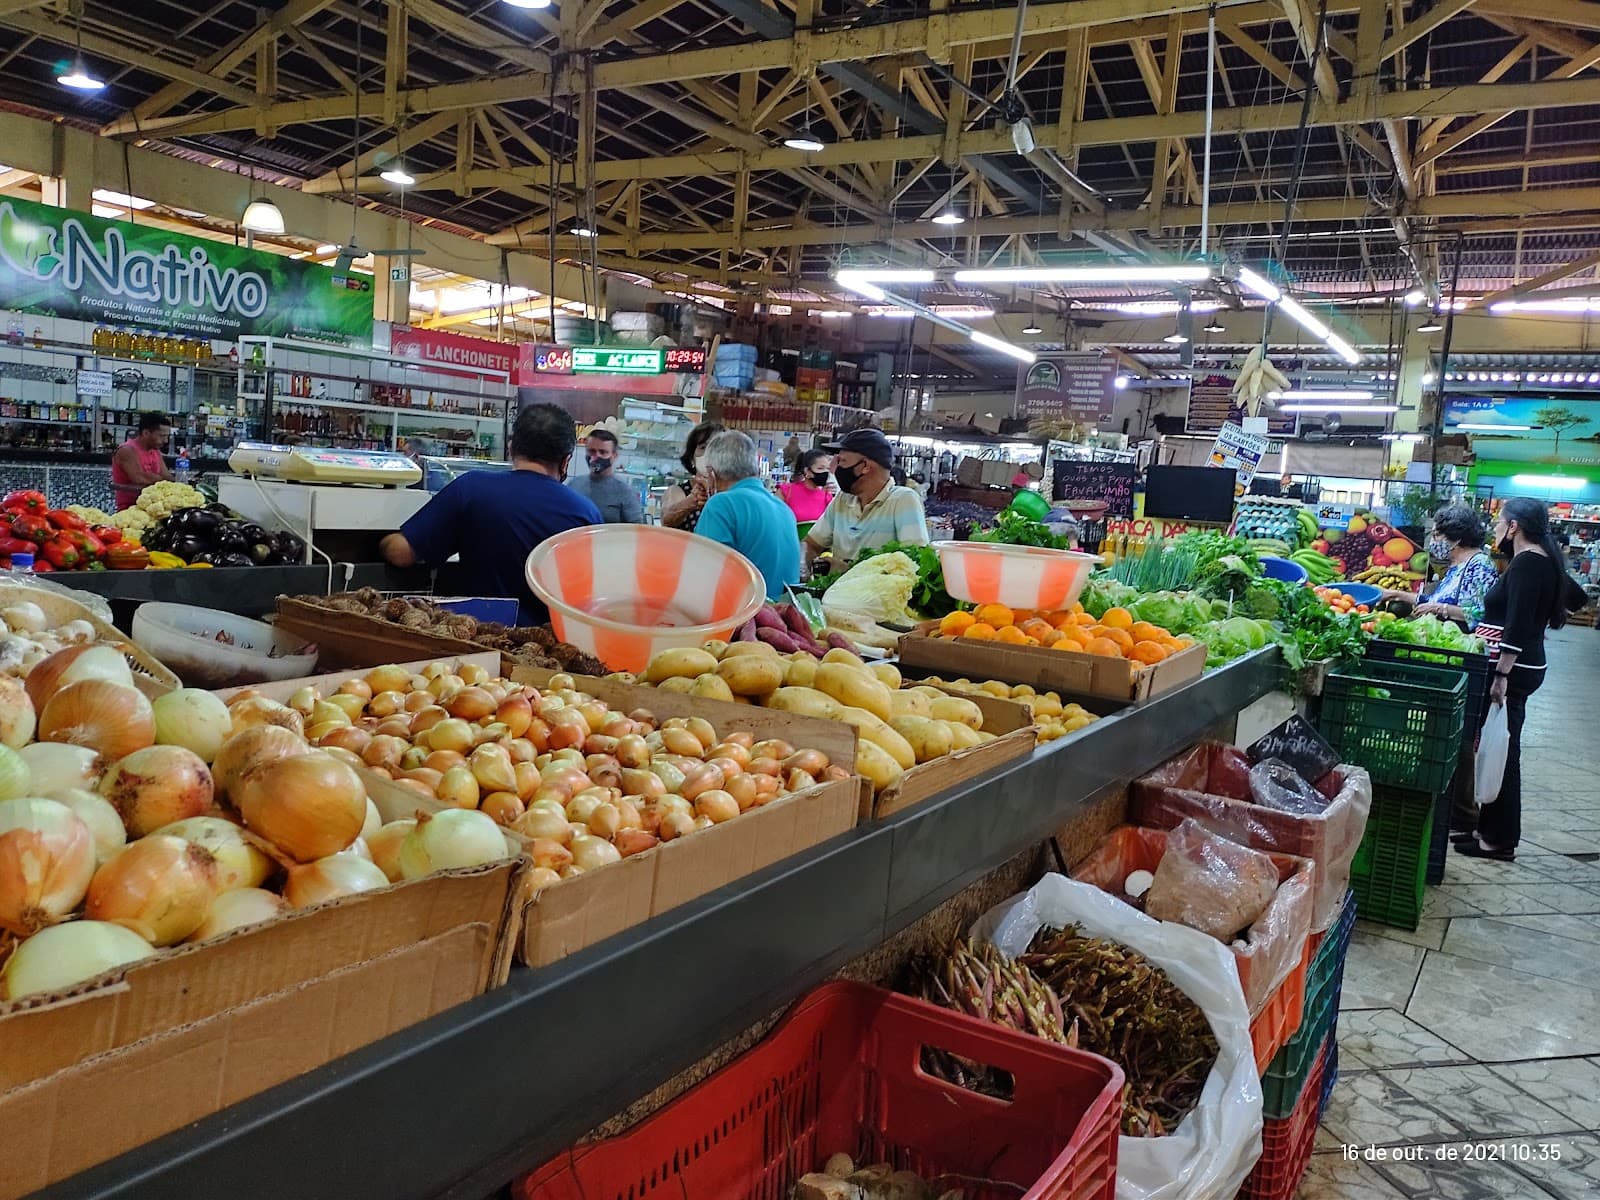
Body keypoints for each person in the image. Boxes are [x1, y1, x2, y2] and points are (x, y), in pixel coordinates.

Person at [380, 403, 600, 625]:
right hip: (544, 649)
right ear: (566, 461)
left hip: (476, 639)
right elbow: (587, 597)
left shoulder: (471, 488)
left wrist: (381, 541)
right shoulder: (585, 513)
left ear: (511, 448)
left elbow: (401, 553)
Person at [1454, 498, 1584, 860]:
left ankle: (1498, 840)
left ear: (1515, 527)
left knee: (1504, 753)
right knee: (1499, 747)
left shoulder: (1528, 563)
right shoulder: (1542, 561)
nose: (1495, 528)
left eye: (1499, 522)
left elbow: (1519, 624)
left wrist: (1501, 675)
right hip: (1523, 667)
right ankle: (1487, 831)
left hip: (1513, 672)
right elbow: (1575, 597)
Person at [804, 427, 929, 573]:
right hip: (837, 594)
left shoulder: (903, 500)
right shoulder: (842, 500)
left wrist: (848, 571)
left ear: (865, 466)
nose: (837, 469)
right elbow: (812, 544)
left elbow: (915, 565)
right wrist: (810, 566)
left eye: (843, 461)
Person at [693, 431, 800, 601]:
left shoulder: (721, 504)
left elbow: (704, 576)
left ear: (712, 474)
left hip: (744, 619)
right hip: (781, 619)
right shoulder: (784, 510)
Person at [1392, 504, 1497, 628]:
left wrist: (1439, 609)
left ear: (1456, 537)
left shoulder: (1479, 566)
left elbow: (1477, 614)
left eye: (1436, 535)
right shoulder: (1456, 566)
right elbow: (1434, 601)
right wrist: (1395, 594)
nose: (1432, 541)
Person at [566, 428, 643, 524]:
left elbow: (637, 530)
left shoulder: (624, 491)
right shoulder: (574, 485)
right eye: (592, 451)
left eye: (603, 452)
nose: (596, 456)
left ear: (614, 455)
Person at [661, 421, 725, 532]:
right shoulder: (678, 491)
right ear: (691, 458)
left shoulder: (731, 492)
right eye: (703, 447)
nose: (709, 453)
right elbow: (666, 520)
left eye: (715, 447)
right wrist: (691, 501)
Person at [111, 411, 172, 510]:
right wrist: (163, 480)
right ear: (146, 433)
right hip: (131, 509)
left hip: (154, 507)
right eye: (162, 436)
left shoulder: (155, 450)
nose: (166, 441)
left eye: (167, 436)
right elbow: (140, 479)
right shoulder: (127, 450)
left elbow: (167, 476)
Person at [777, 449, 833, 523]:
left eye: (827, 469)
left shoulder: (827, 496)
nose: (825, 472)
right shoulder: (785, 491)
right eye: (820, 468)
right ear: (807, 471)